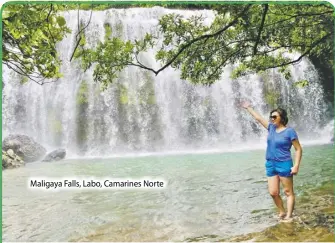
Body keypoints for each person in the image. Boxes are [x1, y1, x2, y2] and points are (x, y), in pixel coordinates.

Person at [241, 101, 303, 222]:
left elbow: (298, 149)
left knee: (288, 191)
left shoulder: (289, 131)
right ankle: (281, 211)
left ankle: (289, 216)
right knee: (273, 192)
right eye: (271, 116)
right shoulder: (271, 128)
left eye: (275, 116)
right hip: (270, 164)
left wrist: (296, 166)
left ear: (282, 118)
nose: (272, 118)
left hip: (284, 163)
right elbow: (258, 118)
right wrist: (248, 108)